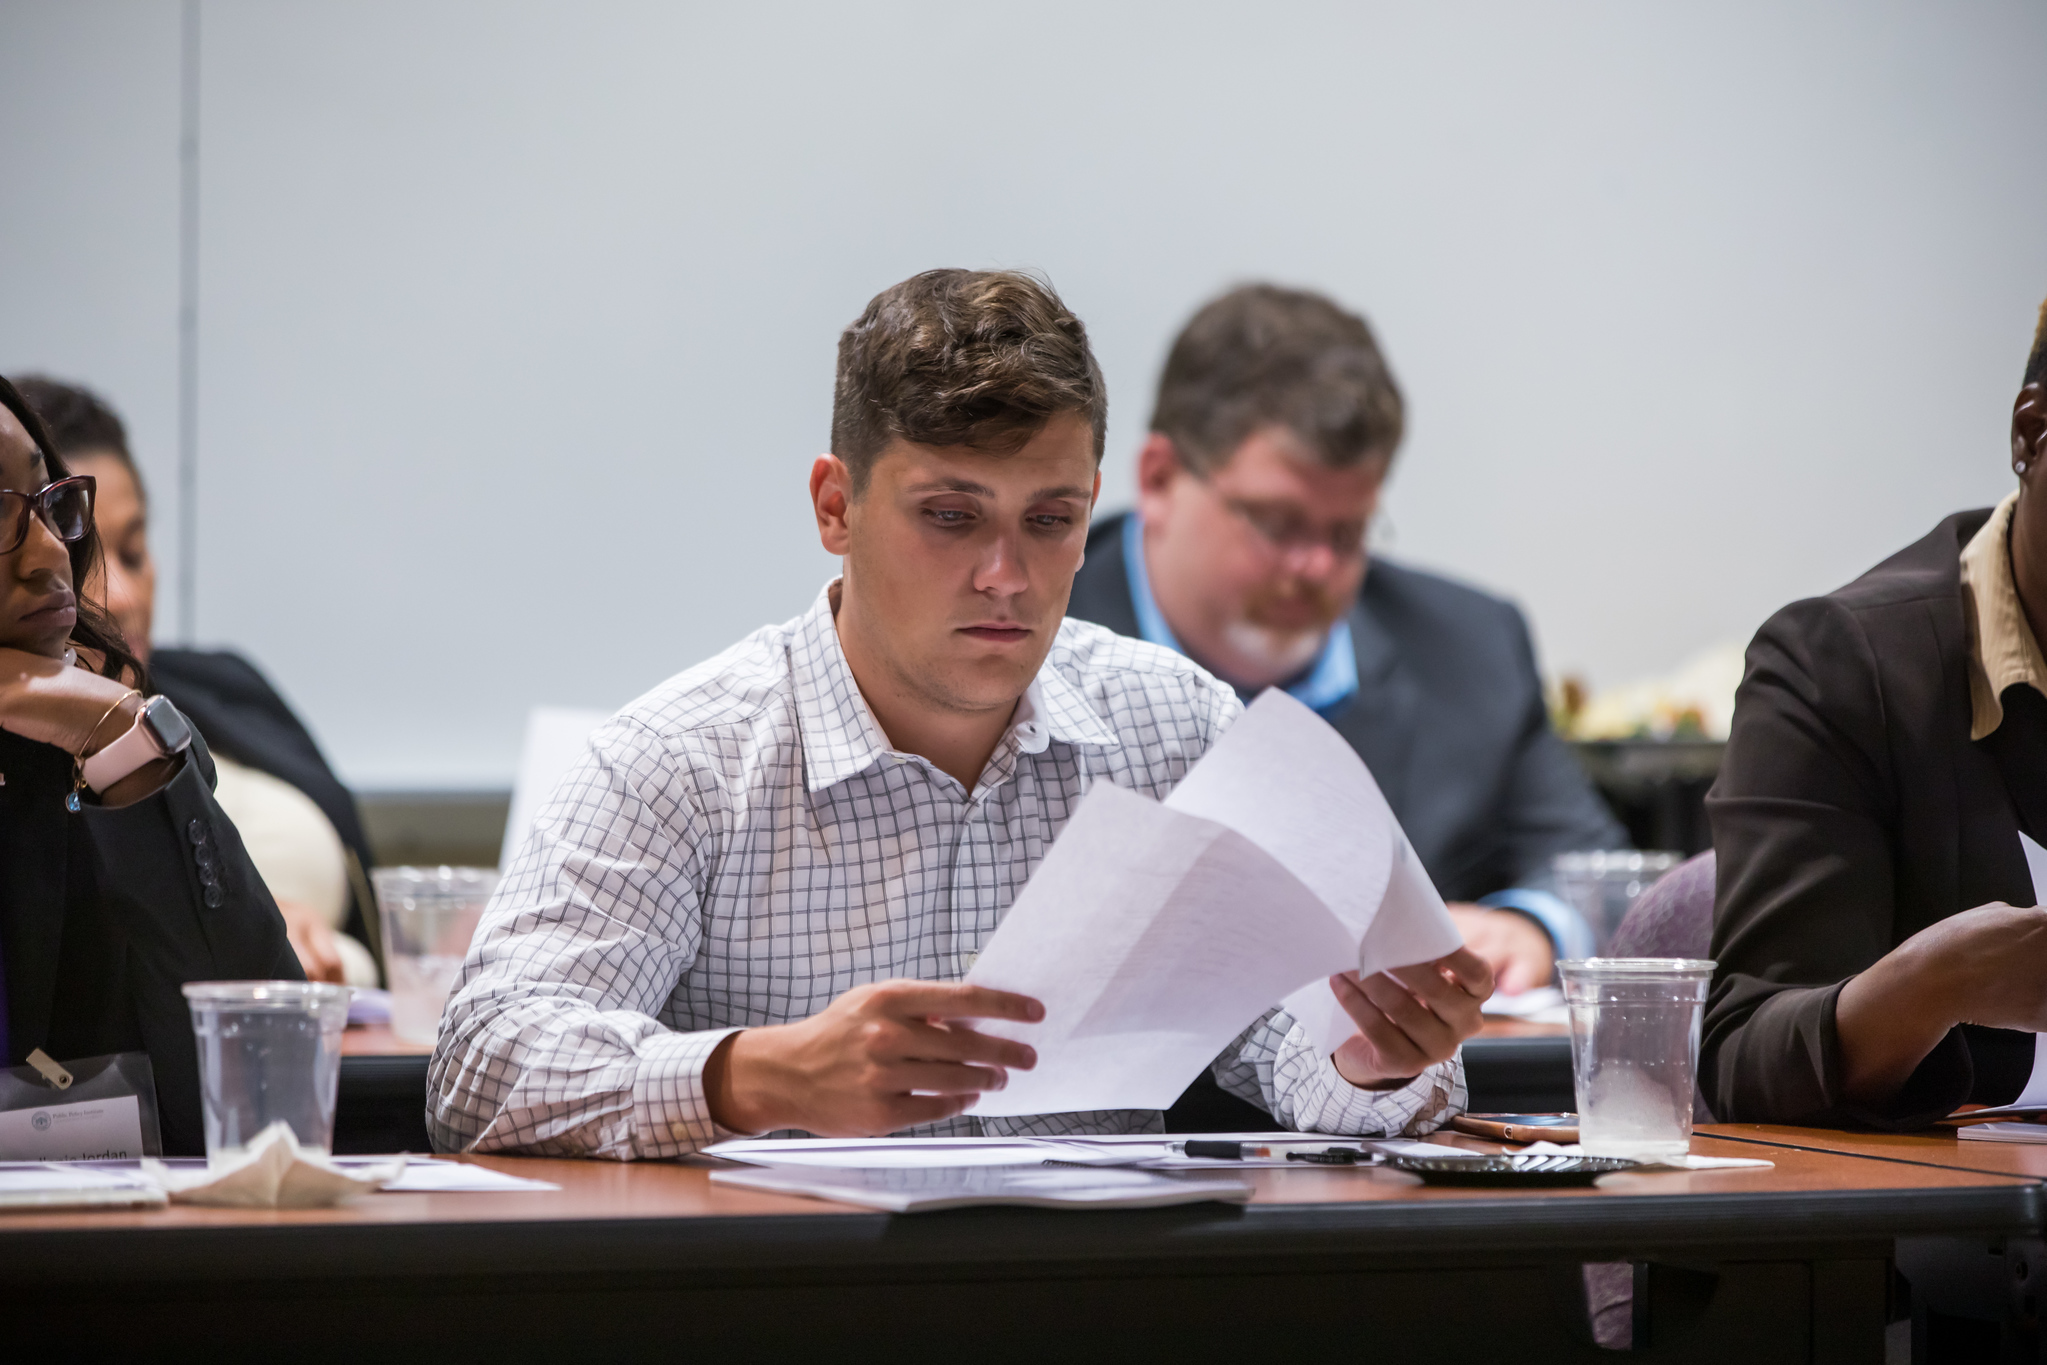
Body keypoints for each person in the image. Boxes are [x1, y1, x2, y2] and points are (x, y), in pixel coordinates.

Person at [429, 269, 1491, 1157]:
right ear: (834, 507)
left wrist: (1374, 1055)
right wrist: (761, 1075)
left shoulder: (1174, 724)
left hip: (1092, 1301)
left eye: (1049, 520)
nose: (1005, 576)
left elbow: (1299, 1065)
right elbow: (481, 1066)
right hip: (790, 1307)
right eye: (949, 516)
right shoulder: (680, 758)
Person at [1068, 285, 1625, 998]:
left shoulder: (1468, 648)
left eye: (1347, 531)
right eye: (1276, 523)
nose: (1317, 568)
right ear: (1158, 479)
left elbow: (1596, 871)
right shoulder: (1027, 634)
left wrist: (1531, 926)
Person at [1702, 300, 2047, 1127]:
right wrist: (1935, 985)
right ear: (2031, 435)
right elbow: (1741, 1060)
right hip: (1961, 1239)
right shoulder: (1838, 667)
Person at [0, 373, 300, 1155]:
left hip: (95, 1264)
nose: (48, 553)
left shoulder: (79, 767)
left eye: (46, 503)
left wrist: (121, 739)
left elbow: (265, 1102)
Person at [14, 377, 381, 989]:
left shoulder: (222, 683)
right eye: (86, 562)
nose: (125, 598)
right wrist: (257, 923)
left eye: (132, 552)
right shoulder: (35, 773)